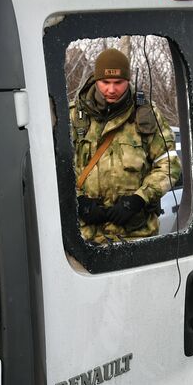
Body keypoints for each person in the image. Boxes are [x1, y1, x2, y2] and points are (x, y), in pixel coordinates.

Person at [70, 48, 178, 244]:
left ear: (128, 80)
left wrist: (139, 199)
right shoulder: (75, 116)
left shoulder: (146, 115)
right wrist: (77, 201)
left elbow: (169, 164)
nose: (111, 90)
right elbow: (53, 168)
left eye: (118, 83)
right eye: (105, 82)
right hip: (84, 239)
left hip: (136, 236)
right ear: (96, 80)